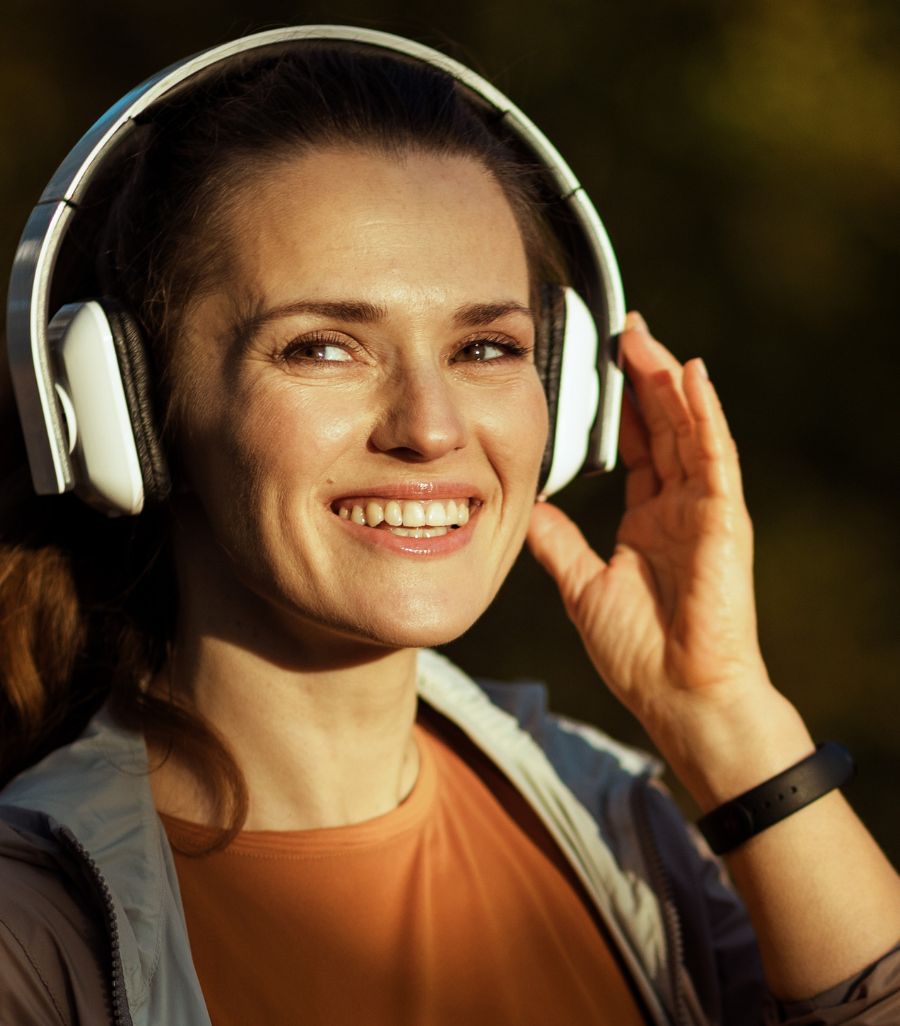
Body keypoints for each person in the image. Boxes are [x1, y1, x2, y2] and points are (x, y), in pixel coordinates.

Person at [0, 27, 897, 1026]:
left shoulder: (612, 824)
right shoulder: (31, 935)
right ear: (129, 407)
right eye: (323, 347)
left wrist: (728, 719)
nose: (429, 427)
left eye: (485, 344)